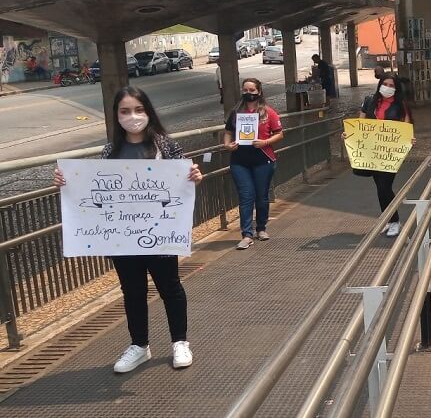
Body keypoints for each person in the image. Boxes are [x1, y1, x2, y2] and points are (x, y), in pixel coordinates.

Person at [53, 86, 202, 373]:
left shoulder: (166, 146)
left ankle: (180, 342)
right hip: (122, 238)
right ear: (116, 116)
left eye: (138, 110)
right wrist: (66, 181)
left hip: (159, 235)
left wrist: (194, 177)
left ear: (148, 112)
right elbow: (96, 188)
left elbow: (183, 185)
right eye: (125, 111)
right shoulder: (110, 150)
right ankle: (139, 345)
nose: (132, 116)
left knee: (170, 287)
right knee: (132, 291)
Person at [345, 75, 415, 238]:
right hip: (372, 153)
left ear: (396, 88)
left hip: (390, 153)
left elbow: (406, 127)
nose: (387, 87)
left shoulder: (401, 105)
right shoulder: (370, 101)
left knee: (385, 186)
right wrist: (349, 135)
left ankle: (395, 220)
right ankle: (389, 220)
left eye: (391, 85)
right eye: (385, 84)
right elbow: (360, 125)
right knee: (380, 188)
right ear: (379, 85)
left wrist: (409, 139)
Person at [223, 78, 284, 250]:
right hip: (239, 161)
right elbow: (227, 132)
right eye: (245, 90)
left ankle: (261, 228)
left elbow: (279, 134)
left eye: (252, 90)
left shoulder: (268, 112)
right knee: (246, 196)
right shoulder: (235, 113)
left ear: (259, 92)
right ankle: (246, 234)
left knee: (261, 196)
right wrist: (227, 145)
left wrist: (265, 142)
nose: (248, 93)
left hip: (263, 160)